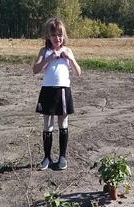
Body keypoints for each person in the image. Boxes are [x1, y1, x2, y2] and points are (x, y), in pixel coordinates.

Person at [33, 17, 82, 170]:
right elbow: (35, 70)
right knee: (47, 125)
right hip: (48, 91)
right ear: (48, 36)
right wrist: (49, 58)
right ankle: (46, 158)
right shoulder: (44, 51)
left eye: (60, 35)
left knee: (63, 124)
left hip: (63, 91)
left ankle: (62, 157)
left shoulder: (68, 51)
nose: (57, 38)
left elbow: (78, 73)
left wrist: (71, 59)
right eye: (54, 35)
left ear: (64, 36)